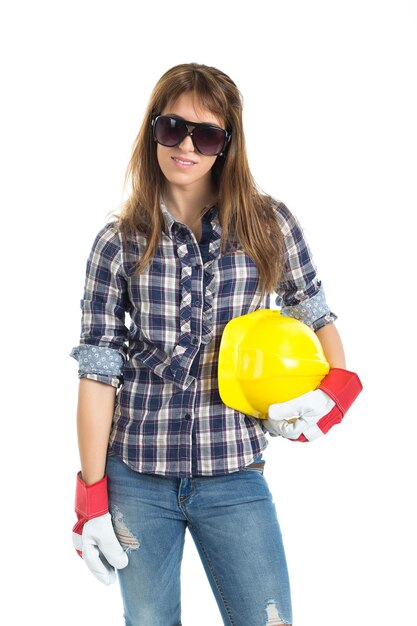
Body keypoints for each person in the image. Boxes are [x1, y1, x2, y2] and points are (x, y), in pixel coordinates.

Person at [70, 62, 361, 626]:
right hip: (137, 475)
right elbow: (98, 371)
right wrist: (91, 497)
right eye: (172, 127)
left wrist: (334, 395)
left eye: (206, 134)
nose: (186, 145)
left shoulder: (266, 225)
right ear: (152, 129)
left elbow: (314, 314)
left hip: (234, 472)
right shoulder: (118, 242)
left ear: (226, 144)